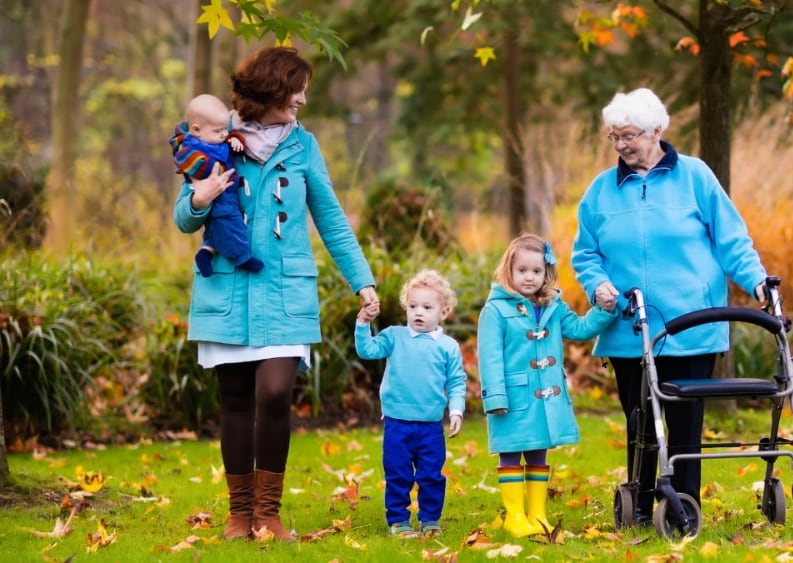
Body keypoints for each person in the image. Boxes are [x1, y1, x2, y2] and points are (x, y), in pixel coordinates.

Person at [173, 47, 380, 542]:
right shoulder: (219, 141)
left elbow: (329, 217)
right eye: (296, 88)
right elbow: (184, 216)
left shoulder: (304, 146)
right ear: (269, 88)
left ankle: (269, 513)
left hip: (285, 293)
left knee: (274, 393)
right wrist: (199, 200)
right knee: (236, 398)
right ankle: (239, 515)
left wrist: (363, 280)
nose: (302, 98)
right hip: (226, 289)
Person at [571, 87, 769, 527]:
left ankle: (682, 507)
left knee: (683, 423)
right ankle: (641, 504)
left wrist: (756, 280)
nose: (621, 145)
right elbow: (585, 253)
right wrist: (597, 284)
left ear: (657, 130)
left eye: (629, 136)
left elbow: (731, 239)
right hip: (628, 329)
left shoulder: (695, 177)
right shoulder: (601, 191)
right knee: (640, 421)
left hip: (692, 326)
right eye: (614, 137)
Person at [477, 233, 617, 537]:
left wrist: (603, 310)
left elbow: (579, 329)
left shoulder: (553, 306)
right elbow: (489, 357)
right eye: (523, 270)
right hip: (512, 398)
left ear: (546, 273)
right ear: (509, 271)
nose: (530, 277)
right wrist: (495, 396)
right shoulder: (495, 310)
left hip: (544, 399)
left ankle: (537, 513)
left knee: (539, 452)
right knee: (511, 452)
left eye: (537, 271)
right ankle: (515, 516)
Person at [354, 269, 467, 539]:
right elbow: (367, 350)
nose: (419, 312)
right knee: (398, 475)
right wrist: (362, 323)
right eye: (413, 306)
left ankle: (429, 520)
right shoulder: (394, 337)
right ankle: (399, 521)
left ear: (444, 312)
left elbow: (456, 381)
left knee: (431, 476)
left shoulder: (448, 347)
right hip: (397, 424)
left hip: (430, 427)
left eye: (427, 307)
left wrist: (456, 410)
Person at [169, 93, 263, 278]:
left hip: (226, 189)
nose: (223, 134)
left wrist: (235, 139)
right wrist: (202, 193)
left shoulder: (216, 136)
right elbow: (189, 164)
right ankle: (241, 256)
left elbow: (228, 137)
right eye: (218, 131)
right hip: (218, 192)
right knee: (230, 220)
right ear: (196, 130)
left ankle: (206, 252)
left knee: (215, 229)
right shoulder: (191, 148)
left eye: (225, 129)